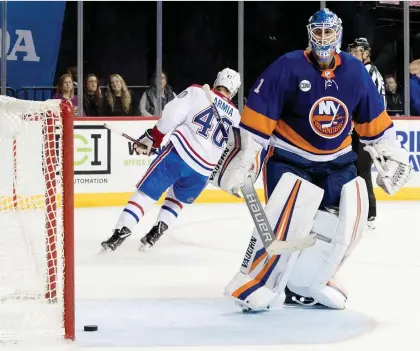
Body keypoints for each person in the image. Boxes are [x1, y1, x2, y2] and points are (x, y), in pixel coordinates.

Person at [209, 9, 411, 313]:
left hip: (338, 161)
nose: (323, 39)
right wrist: (244, 158)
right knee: (290, 217)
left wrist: (391, 155)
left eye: (328, 33)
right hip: (292, 157)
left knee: (345, 220)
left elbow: (375, 124)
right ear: (309, 34)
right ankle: (256, 281)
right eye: (318, 32)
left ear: (339, 34)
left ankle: (307, 282)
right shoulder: (287, 67)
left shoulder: (355, 72)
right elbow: (256, 122)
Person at [101, 68, 241, 251]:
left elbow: (172, 114)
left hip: (179, 156)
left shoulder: (198, 91)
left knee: (146, 193)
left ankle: (120, 232)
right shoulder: (237, 116)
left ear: (216, 81)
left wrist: (154, 137)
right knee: (177, 198)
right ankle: (156, 233)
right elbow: (233, 148)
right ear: (235, 90)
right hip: (203, 172)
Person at [347, 37, 385, 229]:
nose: (353, 55)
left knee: (361, 171)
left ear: (366, 54)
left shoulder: (367, 71)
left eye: (357, 52)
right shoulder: (368, 71)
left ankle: (369, 214)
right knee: (357, 170)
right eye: (351, 52)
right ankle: (364, 212)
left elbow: (364, 101)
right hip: (364, 129)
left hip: (366, 130)